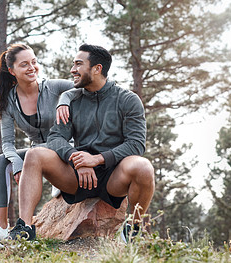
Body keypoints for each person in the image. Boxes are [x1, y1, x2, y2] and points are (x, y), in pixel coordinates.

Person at [8, 44, 155, 243]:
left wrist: (96, 159)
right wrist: (76, 159)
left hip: (113, 176)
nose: (72, 70)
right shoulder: (72, 100)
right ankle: (25, 228)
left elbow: (136, 144)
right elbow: (55, 138)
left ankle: (133, 230)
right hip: (76, 176)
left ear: (97, 69)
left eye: (78, 64)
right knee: (35, 154)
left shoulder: (128, 100)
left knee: (143, 167)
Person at [0, 44, 74, 244]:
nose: (32, 67)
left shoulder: (54, 87)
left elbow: (86, 87)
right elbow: (8, 144)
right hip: (37, 151)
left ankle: (26, 224)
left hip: (65, 147)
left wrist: (65, 99)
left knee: (33, 152)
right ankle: (1, 227)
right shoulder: (7, 102)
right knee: (1, 161)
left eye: (34, 62)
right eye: (24, 64)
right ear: (12, 71)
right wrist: (17, 163)